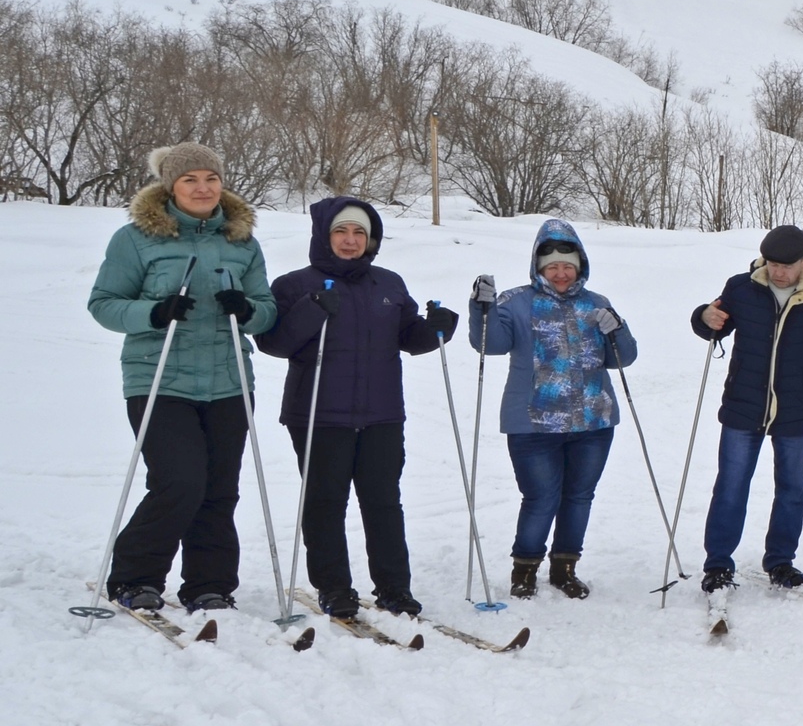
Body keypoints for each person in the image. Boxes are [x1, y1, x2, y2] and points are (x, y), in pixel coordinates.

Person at [85, 142, 278, 614]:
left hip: (230, 381)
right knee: (179, 483)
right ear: (170, 185)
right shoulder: (135, 239)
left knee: (219, 488)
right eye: (190, 179)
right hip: (159, 379)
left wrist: (248, 311)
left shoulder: (241, 242)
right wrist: (154, 311)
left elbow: (267, 311)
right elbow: (104, 303)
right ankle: (134, 577)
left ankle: (208, 585)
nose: (202, 187)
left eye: (210, 178)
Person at [257, 197, 456, 622]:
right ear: (325, 237)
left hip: (382, 413)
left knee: (383, 501)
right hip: (317, 414)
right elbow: (274, 343)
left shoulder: (389, 283)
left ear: (371, 240)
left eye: (359, 233)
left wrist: (437, 330)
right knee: (325, 501)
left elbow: (409, 337)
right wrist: (312, 310)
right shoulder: (294, 284)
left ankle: (394, 589)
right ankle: (334, 587)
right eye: (342, 232)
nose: (350, 240)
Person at [690, 225, 803, 591]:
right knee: (731, 486)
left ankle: (781, 561)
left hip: (795, 410)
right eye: (773, 264)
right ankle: (718, 564)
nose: (778, 272)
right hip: (743, 405)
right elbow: (711, 323)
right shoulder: (741, 288)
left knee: (791, 490)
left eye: (786, 265)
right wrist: (704, 317)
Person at [471, 219, 636, 600]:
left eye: (567, 265)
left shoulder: (597, 304)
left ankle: (564, 569)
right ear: (538, 267)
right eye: (552, 266)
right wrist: (482, 309)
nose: (561, 273)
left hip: (593, 420)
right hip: (533, 423)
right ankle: (524, 570)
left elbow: (622, 358)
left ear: (579, 264)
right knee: (541, 498)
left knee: (579, 496)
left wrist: (618, 330)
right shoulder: (515, 302)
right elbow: (491, 344)